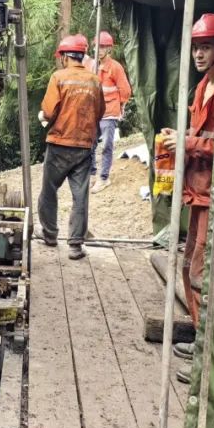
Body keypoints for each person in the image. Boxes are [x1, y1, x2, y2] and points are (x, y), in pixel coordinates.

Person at [162, 13, 214, 379]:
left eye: (206, 47)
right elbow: (200, 133)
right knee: (188, 268)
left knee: (202, 273)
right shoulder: (201, 87)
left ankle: (208, 361)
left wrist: (188, 144)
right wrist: (179, 137)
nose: (199, 54)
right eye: (196, 47)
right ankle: (201, 340)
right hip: (196, 191)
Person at [37, 34, 105, 260]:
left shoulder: (59, 77)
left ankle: (50, 235)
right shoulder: (94, 80)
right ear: (82, 56)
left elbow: (49, 111)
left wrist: (44, 117)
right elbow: (100, 112)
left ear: (65, 57)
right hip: (84, 146)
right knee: (80, 196)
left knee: (49, 191)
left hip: (59, 144)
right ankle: (75, 245)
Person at [90, 30, 132, 193]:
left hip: (110, 112)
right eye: (97, 46)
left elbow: (125, 90)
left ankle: (103, 178)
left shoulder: (115, 67)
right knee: (90, 144)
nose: (99, 49)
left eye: (103, 47)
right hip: (95, 112)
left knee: (106, 145)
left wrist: (121, 106)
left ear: (109, 49)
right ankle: (92, 175)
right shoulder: (92, 66)